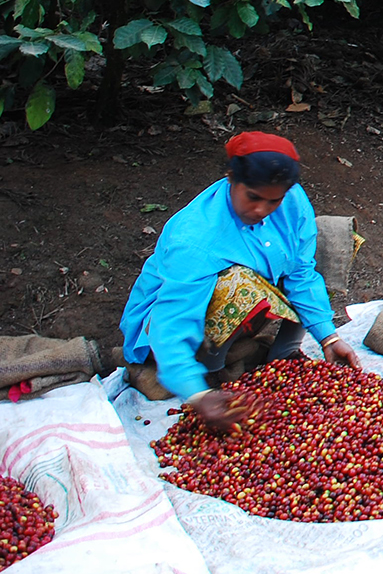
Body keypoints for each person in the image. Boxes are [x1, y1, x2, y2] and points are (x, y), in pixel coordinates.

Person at [121, 133, 360, 435]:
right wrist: (198, 397)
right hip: (166, 324)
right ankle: (205, 370)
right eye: (253, 197)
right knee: (239, 282)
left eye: (274, 200)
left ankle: (283, 353)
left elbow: (301, 272)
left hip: (245, 303)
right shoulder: (195, 239)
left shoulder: (293, 202)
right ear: (231, 177)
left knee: (327, 237)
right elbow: (171, 325)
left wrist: (328, 337)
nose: (262, 209)